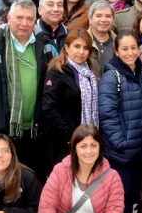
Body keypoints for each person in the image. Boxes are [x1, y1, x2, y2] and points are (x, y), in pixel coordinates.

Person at [0, 0, 55, 179]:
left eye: (29, 19)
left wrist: (49, 117)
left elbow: (58, 83)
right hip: (2, 131)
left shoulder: (47, 46)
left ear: (36, 20)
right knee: (4, 180)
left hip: (38, 132)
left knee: (35, 181)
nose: (24, 24)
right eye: (19, 18)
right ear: (8, 18)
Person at [97, 32, 142, 213]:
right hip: (121, 153)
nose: (130, 53)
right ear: (117, 52)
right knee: (119, 201)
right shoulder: (113, 77)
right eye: (125, 49)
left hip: (139, 152)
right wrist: (121, 143)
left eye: (134, 49)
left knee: (129, 199)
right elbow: (107, 114)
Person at [42, 30, 101, 166]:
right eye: (77, 46)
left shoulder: (88, 72)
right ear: (67, 48)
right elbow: (48, 107)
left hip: (86, 140)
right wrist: (71, 134)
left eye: (86, 48)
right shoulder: (57, 71)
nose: (81, 52)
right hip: (63, 141)